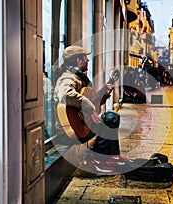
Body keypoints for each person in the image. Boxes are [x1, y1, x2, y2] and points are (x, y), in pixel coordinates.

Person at [54, 45, 127, 173]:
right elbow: (65, 94)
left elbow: (92, 103)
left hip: (80, 123)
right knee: (109, 119)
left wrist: (104, 95)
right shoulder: (68, 78)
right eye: (85, 58)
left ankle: (109, 156)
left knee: (111, 116)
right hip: (69, 129)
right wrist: (89, 108)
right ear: (78, 60)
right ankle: (96, 158)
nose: (88, 60)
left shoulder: (79, 77)